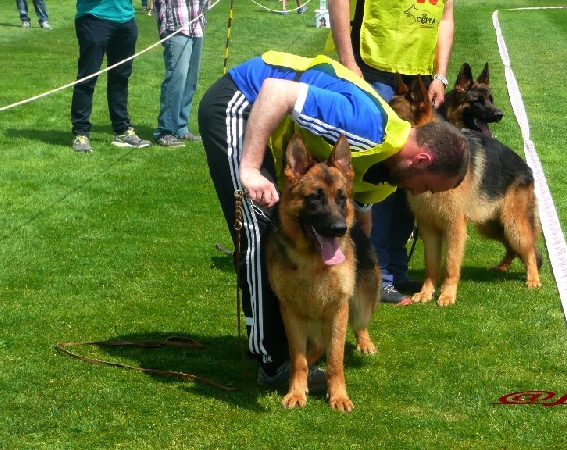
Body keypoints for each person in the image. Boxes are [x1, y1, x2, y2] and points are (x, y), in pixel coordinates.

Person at [198, 51, 469, 388]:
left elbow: (356, 228)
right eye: (426, 186)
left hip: (272, 123)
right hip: (240, 102)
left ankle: (295, 345)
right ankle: (275, 362)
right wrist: (250, 169)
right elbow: (275, 92)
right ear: (422, 160)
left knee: (286, 224)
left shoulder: (385, 174)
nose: (417, 193)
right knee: (258, 226)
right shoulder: (365, 127)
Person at [328, 0, 455, 304]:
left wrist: (440, 75)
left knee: (412, 178)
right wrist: (348, 61)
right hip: (373, 72)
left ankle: (396, 270)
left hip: (420, 80)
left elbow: (445, 16)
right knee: (379, 179)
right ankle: (376, 271)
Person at [70, 0, 151, 153]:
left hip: (125, 19)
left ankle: (122, 130)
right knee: (87, 78)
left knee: (120, 78)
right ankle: (81, 133)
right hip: (94, 19)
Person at [152, 0, 208, 147]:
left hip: (196, 28)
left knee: (190, 80)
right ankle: (166, 131)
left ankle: (181, 127)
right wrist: (164, 30)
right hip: (176, 27)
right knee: (177, 79)